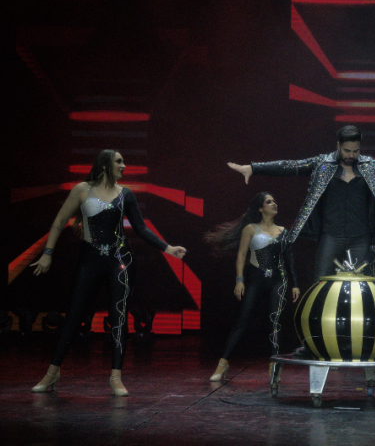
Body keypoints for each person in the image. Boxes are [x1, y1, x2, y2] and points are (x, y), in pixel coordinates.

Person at [29, 149, 187, 396]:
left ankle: (116, 377)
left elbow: (141, 228)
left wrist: (168, 248)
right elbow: (59, 222)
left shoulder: (126, 194)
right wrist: (47, 253)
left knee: (119, 317)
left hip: (120, 261)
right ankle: (52, 373)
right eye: (119, 161)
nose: (124, 166)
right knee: (74, 315)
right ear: (104, 165)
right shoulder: (82, 190)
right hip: (90, 260)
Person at [227, 125, 375, 280]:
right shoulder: (322, 163)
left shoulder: (369, 166)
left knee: (361, 286)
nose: (351, 155)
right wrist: (253, 168)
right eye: (347, 150)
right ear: (338, 145)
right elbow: (290, 166)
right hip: (331, 236)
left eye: (356, 151)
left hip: (361, 237)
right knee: (321, 283)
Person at [206, 192, 300, 382]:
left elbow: (289, 259)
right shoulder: (250, 229)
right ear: (260, 208)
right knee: (243, 321)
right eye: (269, 202)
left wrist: (295, 284)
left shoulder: (284, 231)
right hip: (256, 279)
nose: (274, 204)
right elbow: (241, 255)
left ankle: (275, 366)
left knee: (274, 323)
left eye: (274, 201)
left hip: (278, 280)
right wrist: (239, 280)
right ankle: (222, 364)